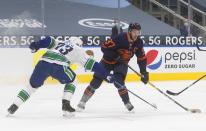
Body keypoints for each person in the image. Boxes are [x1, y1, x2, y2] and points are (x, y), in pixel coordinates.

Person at [7, 36, 114, 117]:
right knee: (73, 80)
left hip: (42, 63)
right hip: (58, 67)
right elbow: (93, 65)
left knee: (31, 87)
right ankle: (66, 105)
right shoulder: (79, 50)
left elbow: (47, 40)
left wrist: (35, 45)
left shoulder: (60, 42)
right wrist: (106, 75)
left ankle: (14, 106)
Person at [77, 23, 149, 112]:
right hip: (107, 61)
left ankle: (127, 102)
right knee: (96, 82)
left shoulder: (139, 42)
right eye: (134, 32)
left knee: (119, 82)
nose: (136, 34)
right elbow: (104, 47)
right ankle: (82, 101)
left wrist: (144, 72)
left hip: (121, 64)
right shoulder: (120, 38)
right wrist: (115, 56)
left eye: (138, 32)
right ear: (130, 31)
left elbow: (141, 58)